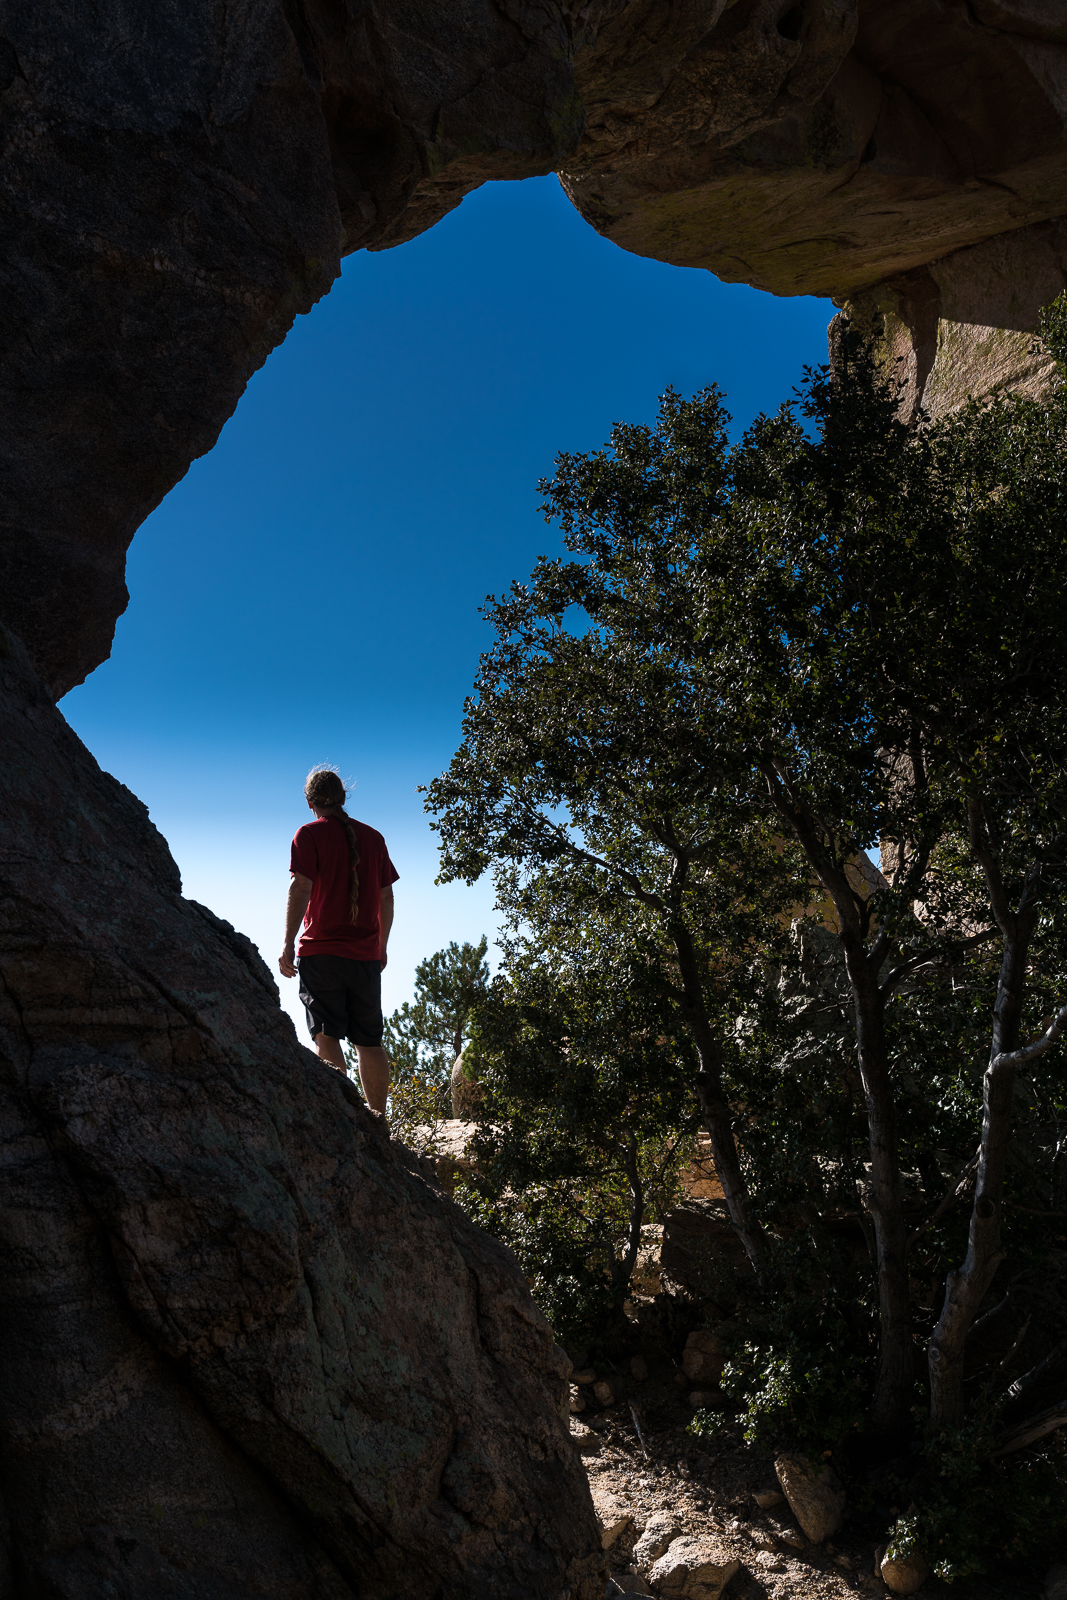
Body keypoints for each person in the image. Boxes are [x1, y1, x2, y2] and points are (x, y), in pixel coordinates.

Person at [278, 766, 398, 1117]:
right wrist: (381, 946)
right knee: (369, 1041)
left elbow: (301, 886)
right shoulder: (374, 838)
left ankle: (342, 1119)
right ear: (344, 798)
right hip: (365, 957)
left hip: (322, 952)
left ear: (310, 802)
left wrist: (287, 943)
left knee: (326, 1036)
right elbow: (387, 896)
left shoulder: (308, 834)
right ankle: (379, 1122)